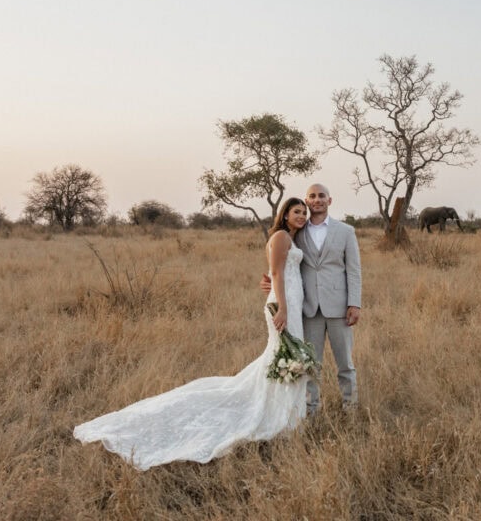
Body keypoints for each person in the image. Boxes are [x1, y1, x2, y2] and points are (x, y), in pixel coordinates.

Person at [73, 198, 310, 470]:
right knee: (284, 356)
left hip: (291, 300)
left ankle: (283, 415)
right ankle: (277, 418)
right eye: (296, 211)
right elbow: (278, 273)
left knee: (285, 357)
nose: (301, 216)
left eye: (303, 212)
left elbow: (277, 272)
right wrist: (281, 307)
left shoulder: (293, 238)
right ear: (286, 215)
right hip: (284, 305)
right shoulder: (280, 236)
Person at [262, 183, 362, 414]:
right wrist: (269, 282)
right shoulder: (296, 231)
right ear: (307, 201)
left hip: (339, 307)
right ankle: (311, 409)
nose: (317, 200)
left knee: (345, 363)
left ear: (330, 200)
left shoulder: (346, 231)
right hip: (307, 309)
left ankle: (351, 407)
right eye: (312, 196)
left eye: (321, 196)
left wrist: (354, 303)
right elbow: (281, 263)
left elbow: (354, 270)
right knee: (310, 363)